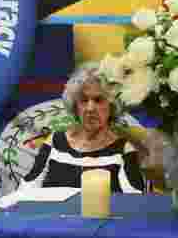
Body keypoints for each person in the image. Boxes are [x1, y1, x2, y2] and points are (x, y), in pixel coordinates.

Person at [22, 64, 145, 193]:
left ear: (113, 106)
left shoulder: (124, 150)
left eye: (98, 100)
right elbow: (28, 187)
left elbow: (135, 201)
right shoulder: (54, 141)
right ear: (75, 105)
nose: (90, 108)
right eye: (84, 100)